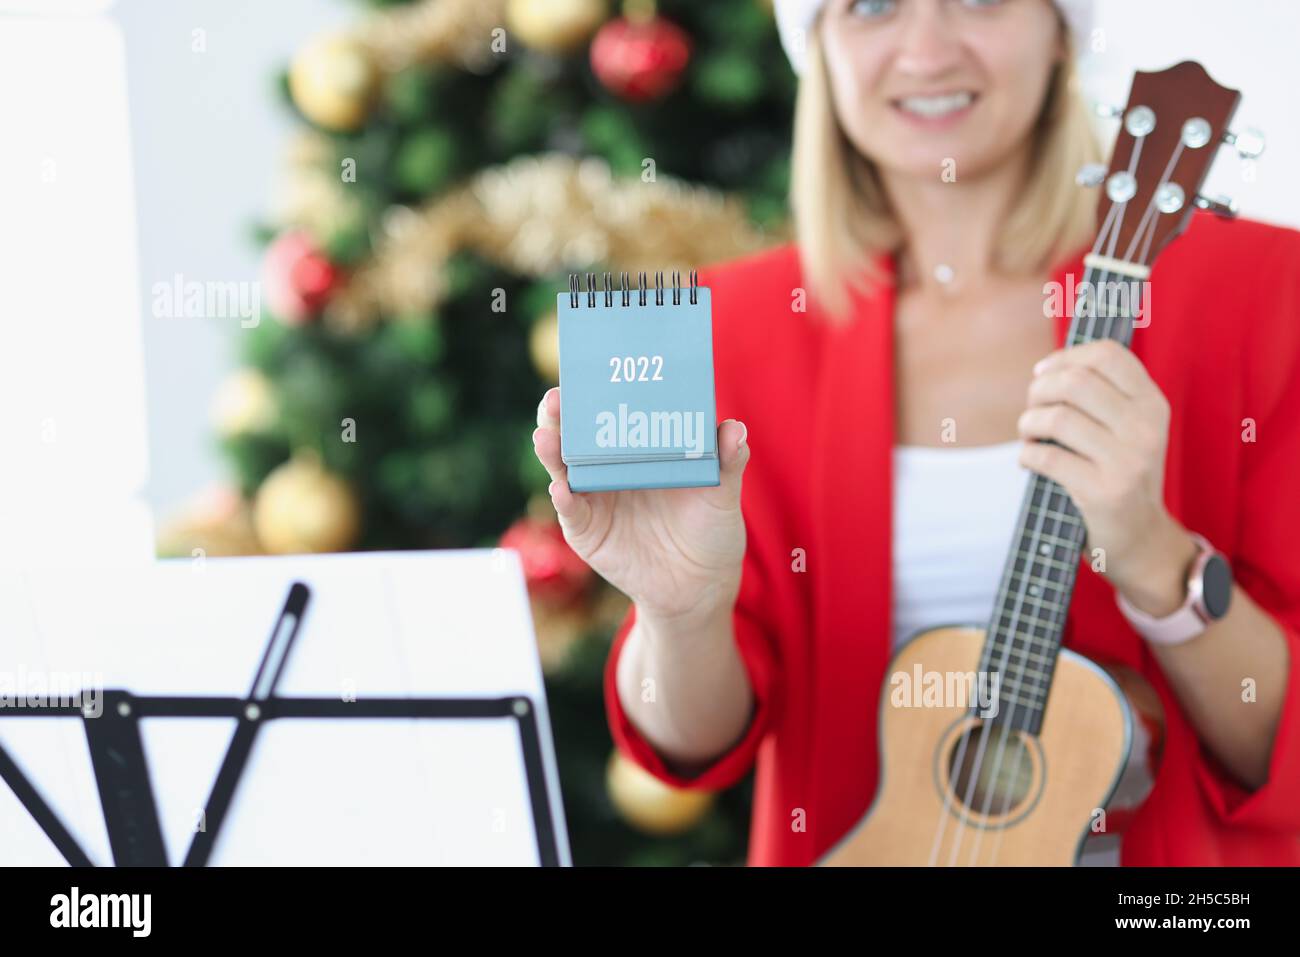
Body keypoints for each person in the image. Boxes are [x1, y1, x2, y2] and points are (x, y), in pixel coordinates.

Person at [531, 0, 1300, 865]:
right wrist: (678, 614)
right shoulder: (730, 327)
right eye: (870, 7)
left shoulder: (1268, 296)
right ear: (817, 46)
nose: (927, 50)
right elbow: (691, 750)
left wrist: (1159, 562)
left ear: (1060, 30)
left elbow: (1281, 747)